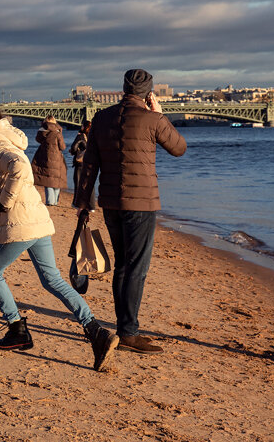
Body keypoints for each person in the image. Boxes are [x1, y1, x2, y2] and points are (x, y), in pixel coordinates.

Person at [0, 106, 117, 370]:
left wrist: (1, 203)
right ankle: (97, 332)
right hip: (36, 220)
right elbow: (13, 189)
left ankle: (17, 329)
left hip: (21, 225)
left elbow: (20, 170)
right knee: (52, 280)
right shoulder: (5, 141)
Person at [76, 69, 186, 355]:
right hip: (141, 203)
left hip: (111, 203)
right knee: (136, 268)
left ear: (124, 89)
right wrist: (160, 114)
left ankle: (125, 326)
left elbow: (90, 164)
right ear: (149, 93)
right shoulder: (152, 119)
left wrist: (83, 202)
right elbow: (179, 148)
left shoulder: (101, 118)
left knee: (123, 265)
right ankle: (129, 332)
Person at [31, 116, 67, 207]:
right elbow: (62, 147)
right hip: (57, 158)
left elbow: (38, 139)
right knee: (56, 180)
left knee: (48, 180)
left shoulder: (42, 131)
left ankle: (50, 201)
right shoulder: (58, 132)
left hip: (45, 157)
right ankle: (54, 201)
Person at [69, 120, 90, 199]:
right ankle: (88, 201)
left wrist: (72, 152)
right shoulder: (94, 136)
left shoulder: (81, 136)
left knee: (78, 183)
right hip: (90, 162)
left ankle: (77, 201)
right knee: (87, 183)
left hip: (80, 162)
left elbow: (74, 148)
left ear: (84, 127)